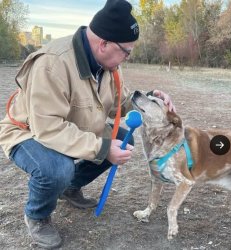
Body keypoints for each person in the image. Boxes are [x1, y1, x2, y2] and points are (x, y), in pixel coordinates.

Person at [0, 0, 175, 248]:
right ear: (104, 44)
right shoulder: (52, 64)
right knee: (57, 169)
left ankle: (69, 188)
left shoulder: (109, 65)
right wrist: (103, 149)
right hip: (29, 133)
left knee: (124, 139)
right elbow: (48, 129)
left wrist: (150, 99)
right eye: (127, 51)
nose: (126, 58)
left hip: (76, 128)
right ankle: (37, 215)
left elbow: (120, 103)